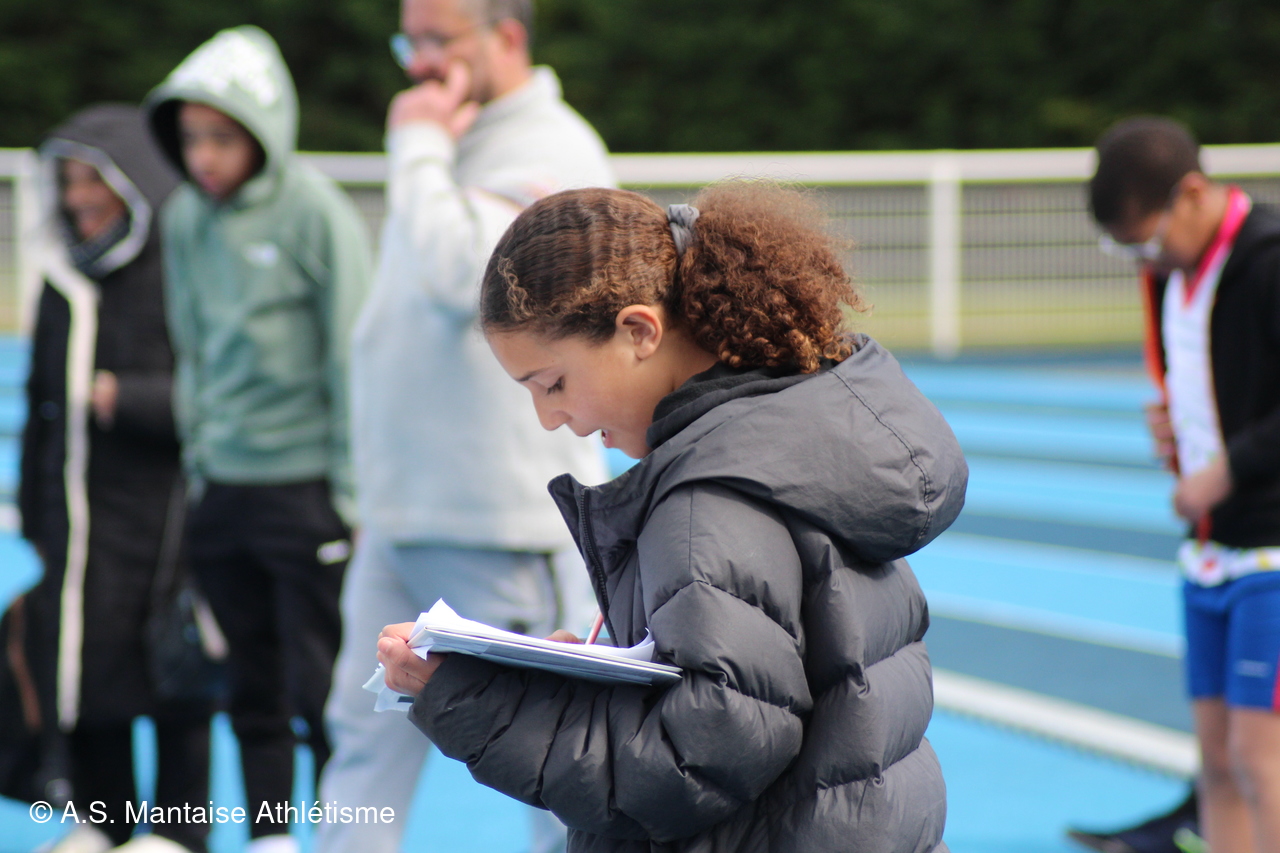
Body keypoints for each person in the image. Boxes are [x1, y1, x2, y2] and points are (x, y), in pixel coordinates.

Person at [376, 182, 967, 851]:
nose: (548, 418)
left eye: (552, 383)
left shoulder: (706, 503)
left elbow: (699, 757)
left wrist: (474, 698)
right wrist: (587, 678)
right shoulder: (789, 439)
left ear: (639, 331)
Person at [315, 1, 612, 851]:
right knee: (361, 740)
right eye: (408, 40)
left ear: (507, 37)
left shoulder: (553, 148)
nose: (418, 63)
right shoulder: (457, 142)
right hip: (401, 517)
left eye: (438, 41)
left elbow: (460, 279)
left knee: (544, 757)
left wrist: (415, 144)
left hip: (497, 527)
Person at [142, 26, 372, 852]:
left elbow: (353, 353)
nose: (203, 156)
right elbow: (192, 348)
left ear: (263, 132)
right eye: (191, 137)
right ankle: (271, 836)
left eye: (222, 136)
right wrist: (200, 462)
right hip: (222, 491)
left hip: (306, 489)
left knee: (322, 688)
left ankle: (343, 835)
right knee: (248, 683)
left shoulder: (315, 211)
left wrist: (351, 493)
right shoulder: (182, 218)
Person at [19, 104, 212, 853]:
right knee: (84, 672)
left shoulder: (181, 269)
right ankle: (101, 822)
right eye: (67, 181)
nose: (77, 198)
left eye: (92, 180)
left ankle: (180, 831)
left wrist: (124, 398)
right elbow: (41, 405)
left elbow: (215, 394)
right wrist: (34, 512)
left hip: (164, 516)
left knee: (175, 673)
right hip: (77, 519)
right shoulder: (64, 278)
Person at [1089, 116, 1280, 853]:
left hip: (1269, 549)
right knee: (1219, 766)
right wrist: (1182, 427)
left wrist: (1224, 470)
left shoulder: (1266, 261)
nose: (1148, 257)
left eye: (1149, 239)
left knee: (1261, 761)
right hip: (1208, 550)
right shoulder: (1174, 279)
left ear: (1193, 194)